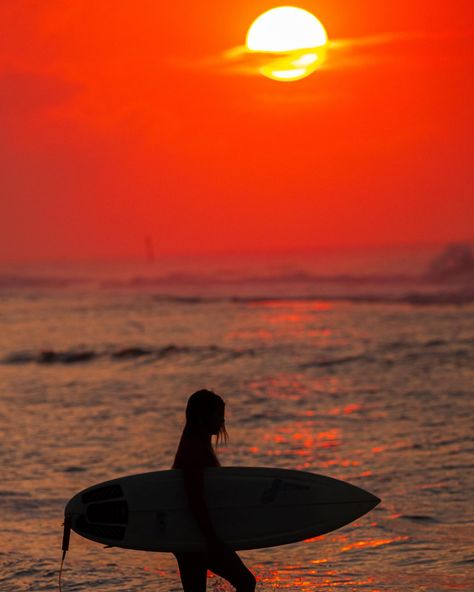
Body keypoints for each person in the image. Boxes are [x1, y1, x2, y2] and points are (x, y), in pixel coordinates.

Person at [172, 389, 256, 592]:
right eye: (218, 415)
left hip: (185, 536)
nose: (222, 421)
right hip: (198, 535)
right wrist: (211, 538)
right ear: (203, 416)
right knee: (246, 582)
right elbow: (195, 498)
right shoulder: (194, 449)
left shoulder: (196, 444)